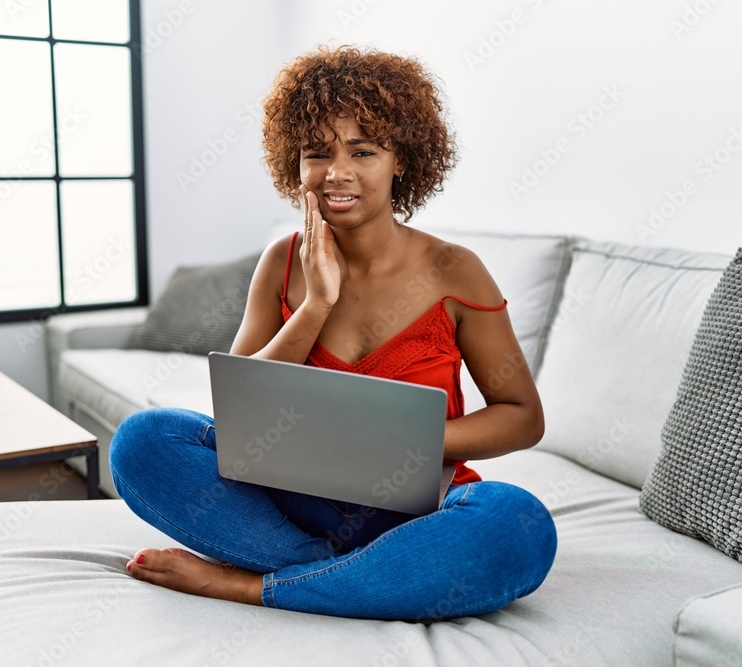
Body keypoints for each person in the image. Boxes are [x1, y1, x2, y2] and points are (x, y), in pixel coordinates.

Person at [109, 46, 557, 621]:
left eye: (363, 151)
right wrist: (316, 304)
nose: (337, 172)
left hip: (420, 509)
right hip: (292, 502)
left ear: (402, 161)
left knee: (519, 525)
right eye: (317, 153)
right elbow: (239, 406)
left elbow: (523, 415)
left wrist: (399, 445)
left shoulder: (456, 270)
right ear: (293, 164)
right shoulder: (282, 261)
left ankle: (254, 586)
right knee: (144, 440)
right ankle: (352, 574)